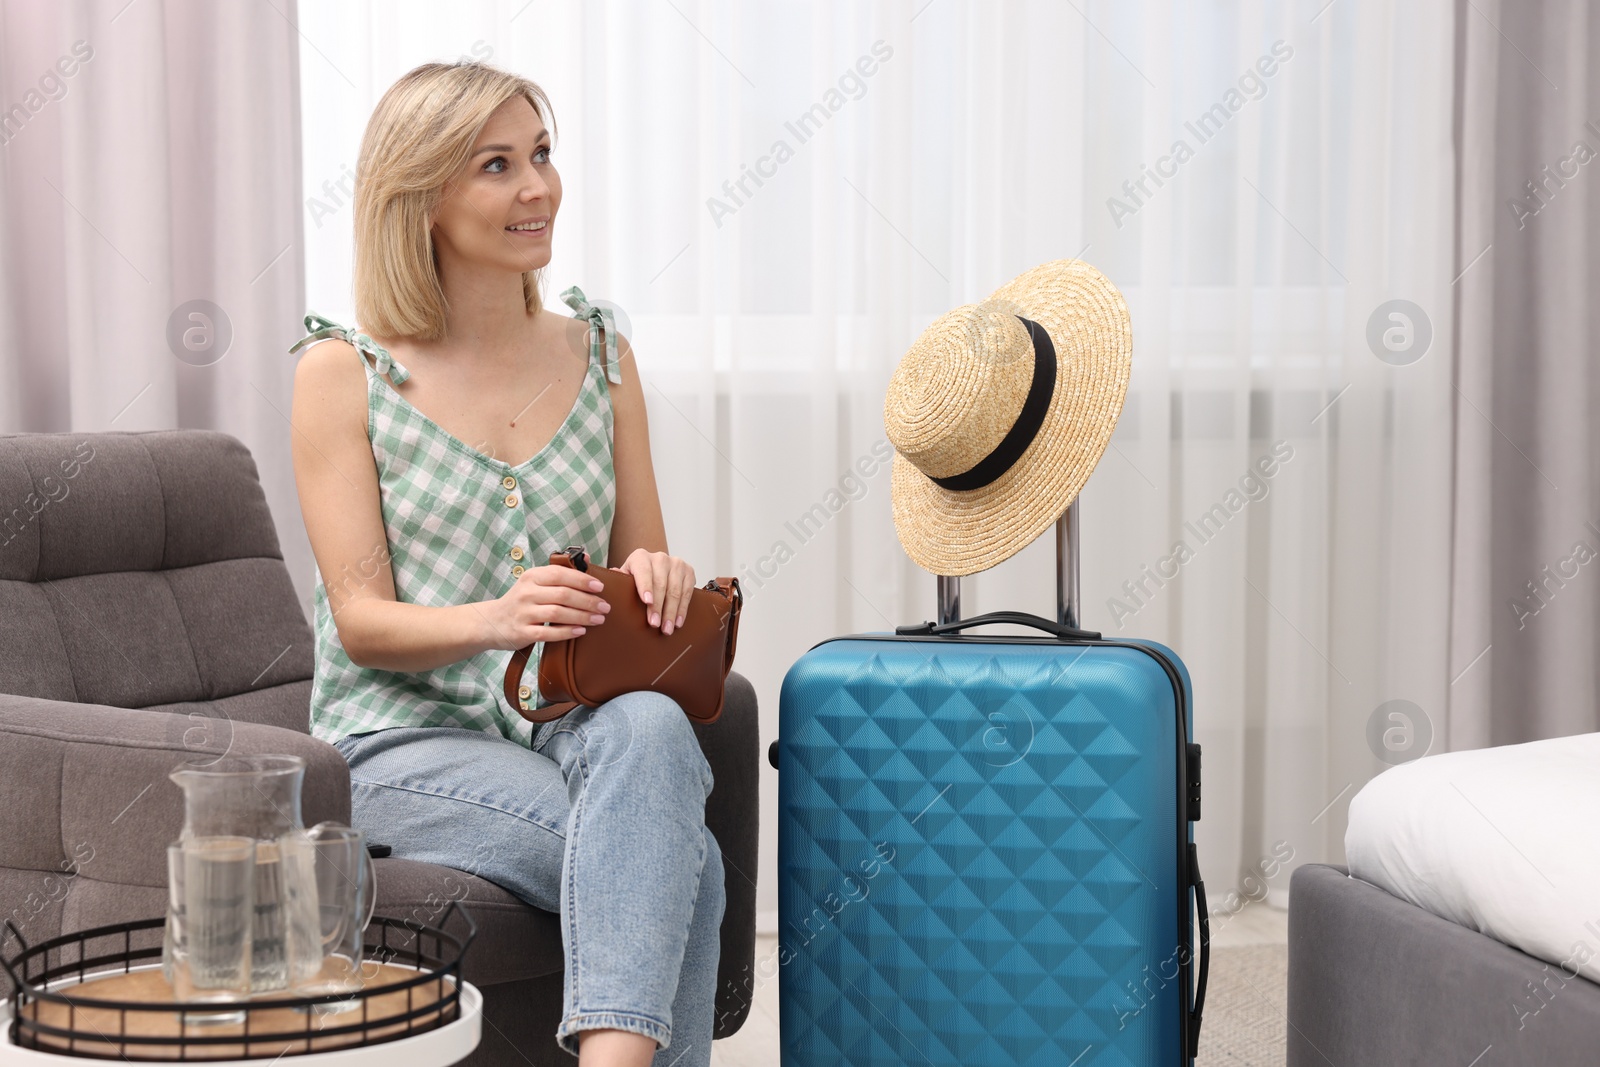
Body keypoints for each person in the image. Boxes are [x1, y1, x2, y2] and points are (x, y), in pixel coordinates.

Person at [287, 60, 724, 1067]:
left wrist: (657, 579)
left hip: (566, 721)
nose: (538, 187)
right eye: (497, 165)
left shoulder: (604, 353)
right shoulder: (340, 372)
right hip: (397, 741)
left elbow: (640, 562)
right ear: (423, 198)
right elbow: (360, 619)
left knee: (653, 719)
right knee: (683, 859)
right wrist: (499, 615)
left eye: (540, 154)